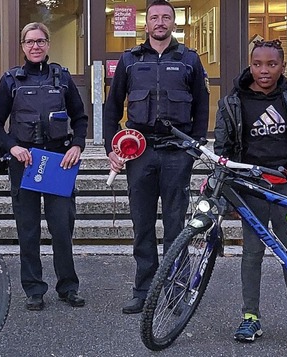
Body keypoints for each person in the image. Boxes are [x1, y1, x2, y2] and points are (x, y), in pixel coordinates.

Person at [103, 0, 209, 315]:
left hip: (177, 154)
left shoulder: (189, 59)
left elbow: (202, 105)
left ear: (173, 23)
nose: (160, 22)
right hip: (140, 153)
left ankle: (177, 291)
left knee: (176, 225)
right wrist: (112, 146)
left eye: (165, 17)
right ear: (145, 24)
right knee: (143, 225)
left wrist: (195, 146)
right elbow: (113, 107)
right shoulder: (130, 61)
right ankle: (144, 291)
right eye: (154, 18)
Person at [214, 39, 287, 350]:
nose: (264, 70)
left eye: (271, 64)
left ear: (282, 67)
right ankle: (250, 317)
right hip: (252, 189)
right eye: (258, 64)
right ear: (250, 64)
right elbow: (224, 151)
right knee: (252, 254)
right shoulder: (233, 102)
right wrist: (229, 195)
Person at [0, 22, 88, 311]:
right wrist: (12, 146)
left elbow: (80, 118)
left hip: (58, 162)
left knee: (61, 228)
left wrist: (77, 145)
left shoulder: (63, 78)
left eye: (40, 41)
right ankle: (33, 289)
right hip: (25, 163)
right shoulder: (10, 81)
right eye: (29, 42)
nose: (35, 46)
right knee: (28, 229)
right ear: (22, 46)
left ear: (48, 44)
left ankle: (68, 287)